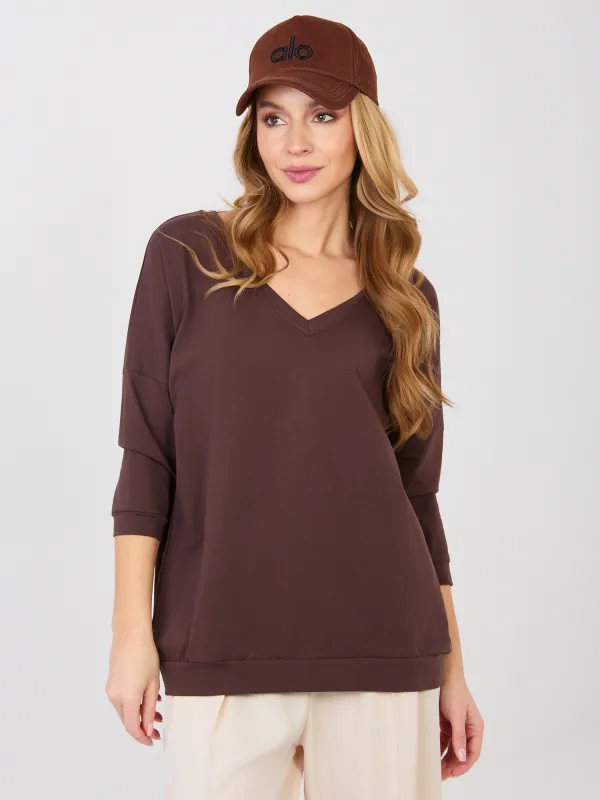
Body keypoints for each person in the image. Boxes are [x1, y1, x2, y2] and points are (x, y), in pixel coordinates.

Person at [105, 13, 484, 799]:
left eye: (323, 115)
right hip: (219, 644)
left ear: (363, 127)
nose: (295, 143)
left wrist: (454, 670)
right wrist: (129, 635)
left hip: (385, 647)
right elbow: (146, 457)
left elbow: (418, 499)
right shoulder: (186, 256)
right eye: (273, 118)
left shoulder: (405, 296)